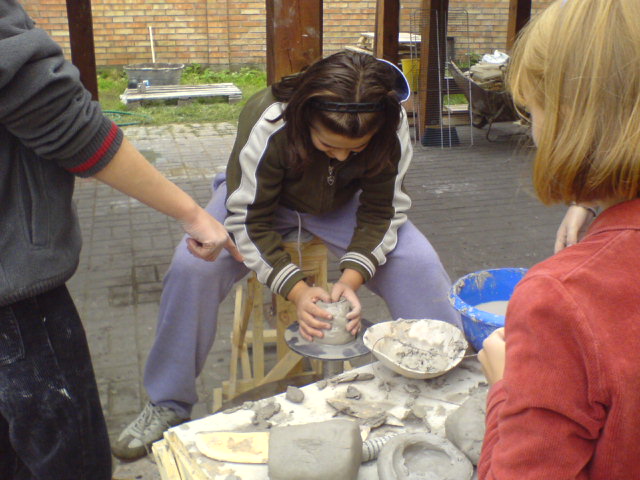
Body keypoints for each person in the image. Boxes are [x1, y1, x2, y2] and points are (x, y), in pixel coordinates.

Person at [113, 50, 462, 459]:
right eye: (328, 145)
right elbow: (249, 219)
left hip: (343, 204)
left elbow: (381, 211)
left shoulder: (389, 120)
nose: (341, 157)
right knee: (192, 268)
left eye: (356, 149)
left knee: (418, 264)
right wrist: (297, 290)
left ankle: (450, 383)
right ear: (304, 117)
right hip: (260, 201)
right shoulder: (270, 117)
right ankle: (168, 402)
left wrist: (351, 278)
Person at [0, 2, 241, 478]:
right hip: (13, 290)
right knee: (71, 460)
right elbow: (67, 124)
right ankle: (169, 402)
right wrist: (193, 214)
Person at [477, 0, 640, 477]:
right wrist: (595, 197)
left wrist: (505, 388)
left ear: (572, 118)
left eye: (532, 112)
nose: (533, 131)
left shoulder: (560, 298)